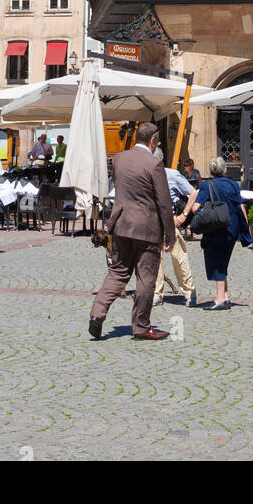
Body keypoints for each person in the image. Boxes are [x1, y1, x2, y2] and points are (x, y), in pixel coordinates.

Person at [89, 121, 175, 340]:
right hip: (146, 228)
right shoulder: (153, 163)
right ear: (153, 140)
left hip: (121, 224)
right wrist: (170, 235)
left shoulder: (119, 159)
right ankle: (141, 325)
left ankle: (97, 314)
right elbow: (164, 203)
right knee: (146, 277)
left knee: (117, 272)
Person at [189, 157, 251, 310]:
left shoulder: (206, 185)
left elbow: (195, 207)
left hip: (215, 228)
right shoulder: (233, 184)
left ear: (211, 171)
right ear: (224, 169)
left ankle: (219, 299)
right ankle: (226, 296)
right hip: (232, 227)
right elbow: (240, 206)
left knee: (217, 262)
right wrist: (246, 228)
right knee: (223, 261)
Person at [153, 156, 197, 308]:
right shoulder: (146, 176)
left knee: (179, 257)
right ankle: (157, 294)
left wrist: (184, 215)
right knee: (155, 259)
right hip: (152, 221)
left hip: (170, 220)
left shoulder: (172, 175)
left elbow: (193, 193)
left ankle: (189, 292)